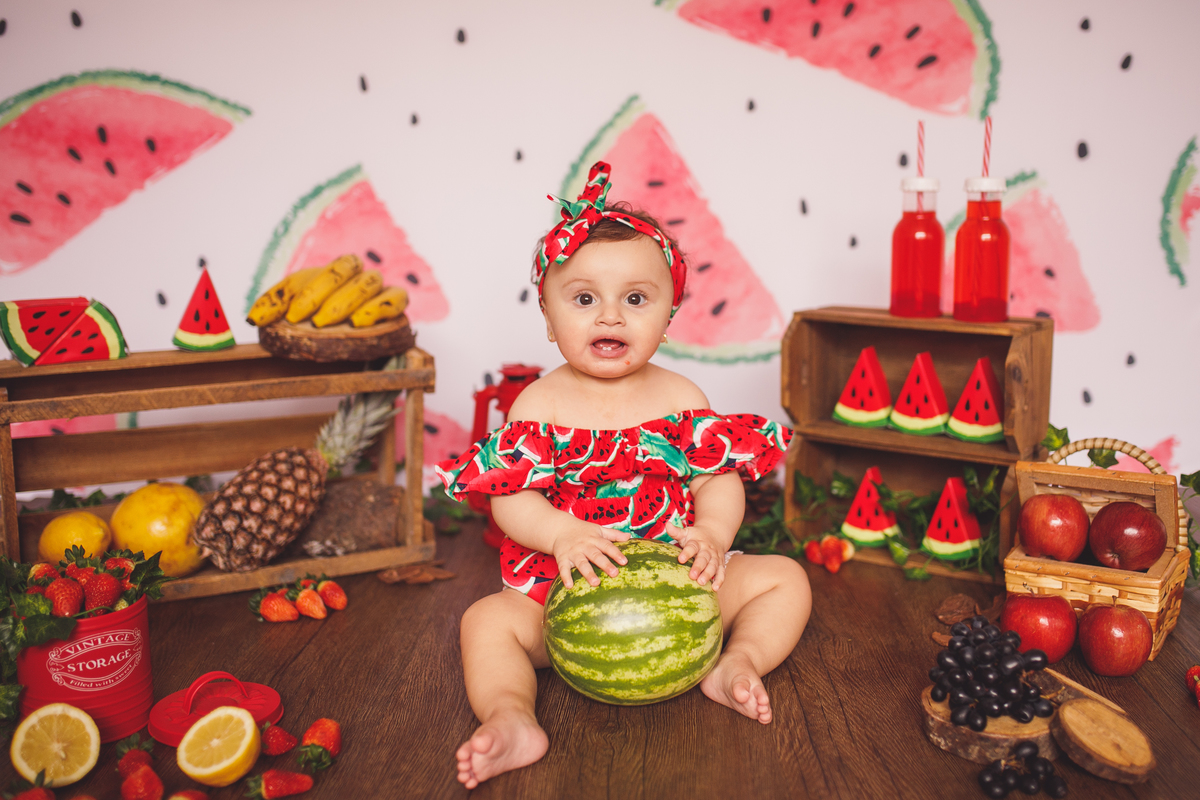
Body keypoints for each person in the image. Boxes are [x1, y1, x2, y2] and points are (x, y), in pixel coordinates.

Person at [436, 162, 812, 789]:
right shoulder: (538, 404)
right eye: (584, 299)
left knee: (784, 579)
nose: (610, 316)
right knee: (485, 622)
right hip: (559, 592)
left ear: (669, 315)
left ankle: (736, 661)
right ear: (548, 318)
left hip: (681, 582)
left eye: (635, 299)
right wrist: (561, 533)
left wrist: (713, 534)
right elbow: (512, 499)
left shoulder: (682, 398)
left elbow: (715, 479)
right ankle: (512, 715)